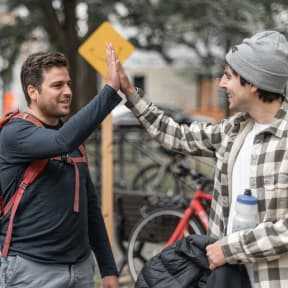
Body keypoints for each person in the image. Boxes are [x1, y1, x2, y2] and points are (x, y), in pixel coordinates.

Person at [108, 30, 288, 288]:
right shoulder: (235, 129)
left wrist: (229, 248)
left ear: (253, 82)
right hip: (225, 278)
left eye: (228, 76)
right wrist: (131, 94)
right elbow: (177, 136)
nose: (221, 84)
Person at [0, 49, 122, 288]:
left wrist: (108, 269)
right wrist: (110, 89)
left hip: (80, 271)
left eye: (68, 84)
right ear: (33, 92)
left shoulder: (73, 138)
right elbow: (61, 142)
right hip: (30, 271)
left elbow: (91, 209)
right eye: (57, 85)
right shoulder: (16, 133)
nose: (67, 91)